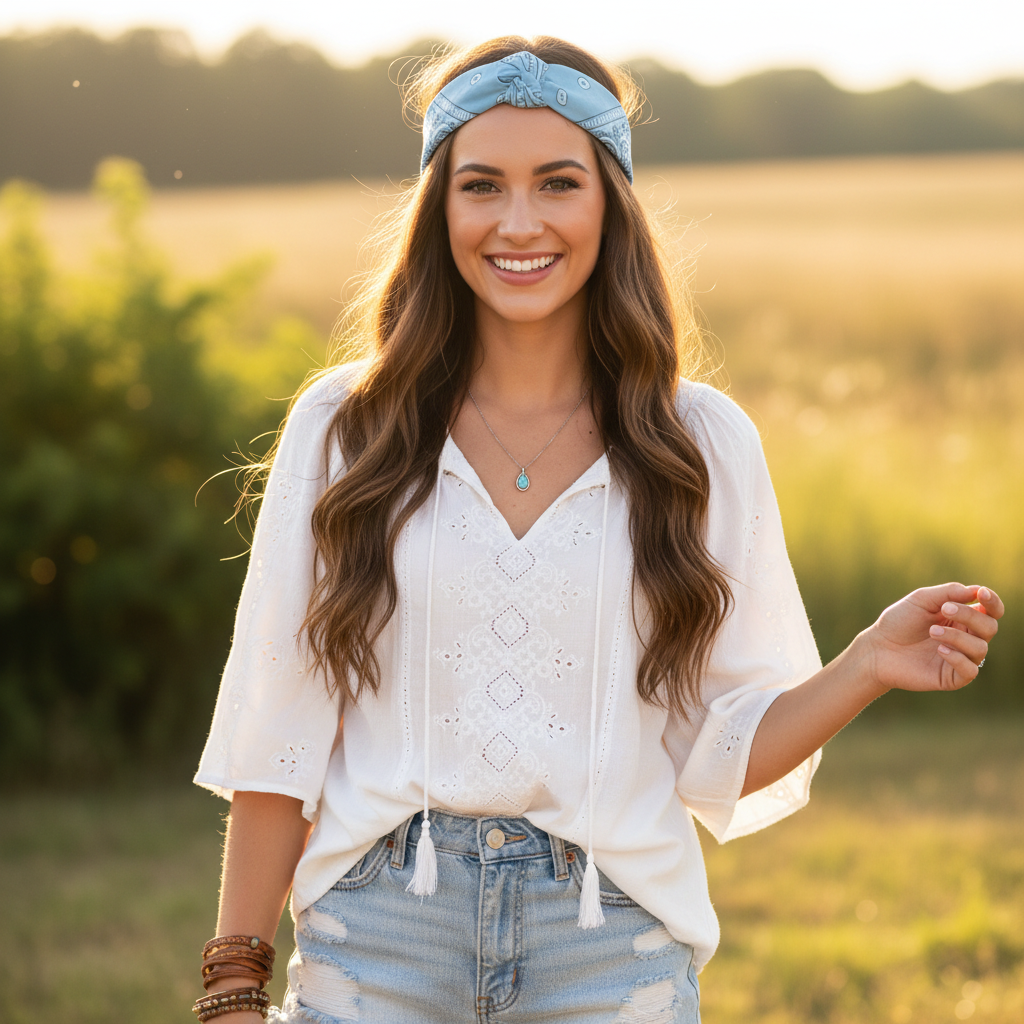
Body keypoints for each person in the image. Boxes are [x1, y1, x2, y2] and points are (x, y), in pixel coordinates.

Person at [189, 37, 1003, 1024]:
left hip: (612, 949)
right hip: (379, 939)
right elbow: (282, 726)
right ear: (439, 206)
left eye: (557, 183)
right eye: (481, 185)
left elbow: (716, 752)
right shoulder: (346, 427)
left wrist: (866, 662)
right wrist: (236, 981)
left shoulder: (697, 442)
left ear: (609, 204)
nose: (517, 222)